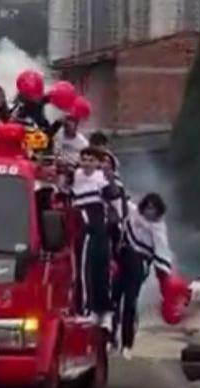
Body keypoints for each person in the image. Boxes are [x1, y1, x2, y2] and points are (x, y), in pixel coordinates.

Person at [113, 193, 175, 359]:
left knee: (129, 304)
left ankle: (127, 344)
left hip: (139, 266)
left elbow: (162, 250)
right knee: (113, 299)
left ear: (158, 211)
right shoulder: (134, 214)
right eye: (147, 207)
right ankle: (111, 338)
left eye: (153, 209)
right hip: (122, 261)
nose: (149, 211)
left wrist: (164, 273)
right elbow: (119, 201)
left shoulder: (159, 228)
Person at [72, 147, 113, 328]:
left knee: (93, 270)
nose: (87, 163)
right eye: (84, 159)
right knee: (88, 271)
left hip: (96, 229)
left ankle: (97, 311)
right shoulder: (77, 176)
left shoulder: (101, 179)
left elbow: (114, 198)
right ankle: (94, 311)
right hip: (84, 229)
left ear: (97, 163)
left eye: (91, 160)